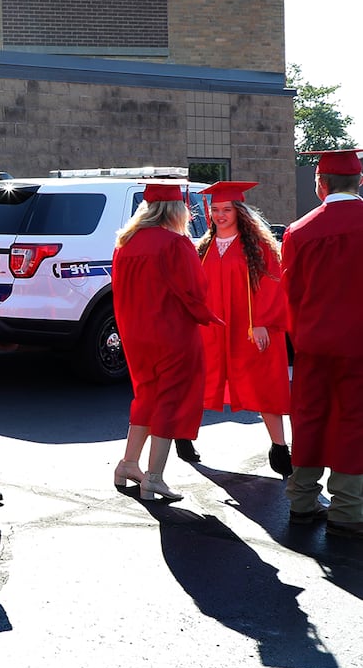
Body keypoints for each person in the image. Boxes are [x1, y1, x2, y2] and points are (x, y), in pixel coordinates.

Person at [110, 182, 220, 502]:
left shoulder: (125, 243)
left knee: (146, 396)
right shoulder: (176, 243)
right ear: (176, 210)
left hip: (136, 333)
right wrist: (208, 316)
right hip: (172, 334)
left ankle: (128, 464)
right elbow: (194, 291)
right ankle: (154, 478)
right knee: (170, 402)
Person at [281, 148, 363, 538]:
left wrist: (303, 336)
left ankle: (302, 501)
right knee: (354, 420)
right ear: (359, 181)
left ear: (321, 185)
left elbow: (291, 296)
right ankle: (347, 508)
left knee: (309, 417)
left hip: (313, 343)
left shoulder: (298, 232)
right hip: (358, 344)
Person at [188, 180, 291, 476]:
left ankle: (280, 446)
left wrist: (261, 322)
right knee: (199, 382)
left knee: (264, 383)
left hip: (249, 327)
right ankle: (183, 436)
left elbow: (272, 284)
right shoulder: (204, 247)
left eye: (227, 209)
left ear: (239, 212)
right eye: (216, 210)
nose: (220, 215)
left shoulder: (258, 247)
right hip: (213, 327)